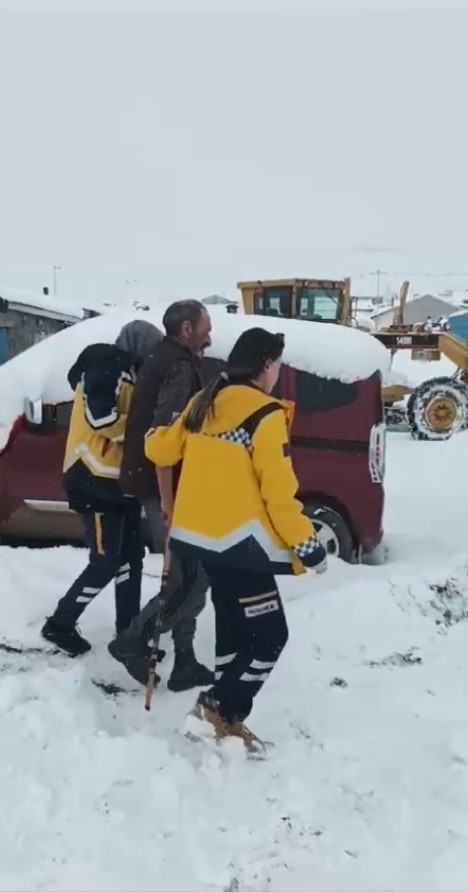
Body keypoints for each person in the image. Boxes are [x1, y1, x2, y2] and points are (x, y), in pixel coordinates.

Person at [143, 327, 328, 755]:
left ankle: (223, 721)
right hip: (242, 547)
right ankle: (219, 709)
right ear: (265, 364)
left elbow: (162, 450)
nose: (279, 372)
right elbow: (278, 494)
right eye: (278, 364)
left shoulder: (204, 403)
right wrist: (308, 546)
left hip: (202, 543)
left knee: (233, 630)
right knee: (269, 636)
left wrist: (152, 430)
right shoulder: (264, 415)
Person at [108, 299, 214, 692]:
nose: (210, 333)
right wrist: (168, 502)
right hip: (165, 487)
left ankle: (184, 660)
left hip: (165, 485)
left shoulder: (165, 357)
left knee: (188, 573)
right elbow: (162, 438)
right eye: (205, 325)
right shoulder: (178, 366)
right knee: (190, 580)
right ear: (186, 329)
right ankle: (133, 639)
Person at [41, 320, 162, 656]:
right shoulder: (104, 365)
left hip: (120, 483)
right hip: (92, 479)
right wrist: (144, 434)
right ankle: (59, 625)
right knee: (105, 562)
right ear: (138, 346)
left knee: (131, 559)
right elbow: (102, 419)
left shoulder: (133, 374)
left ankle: (129, 633)